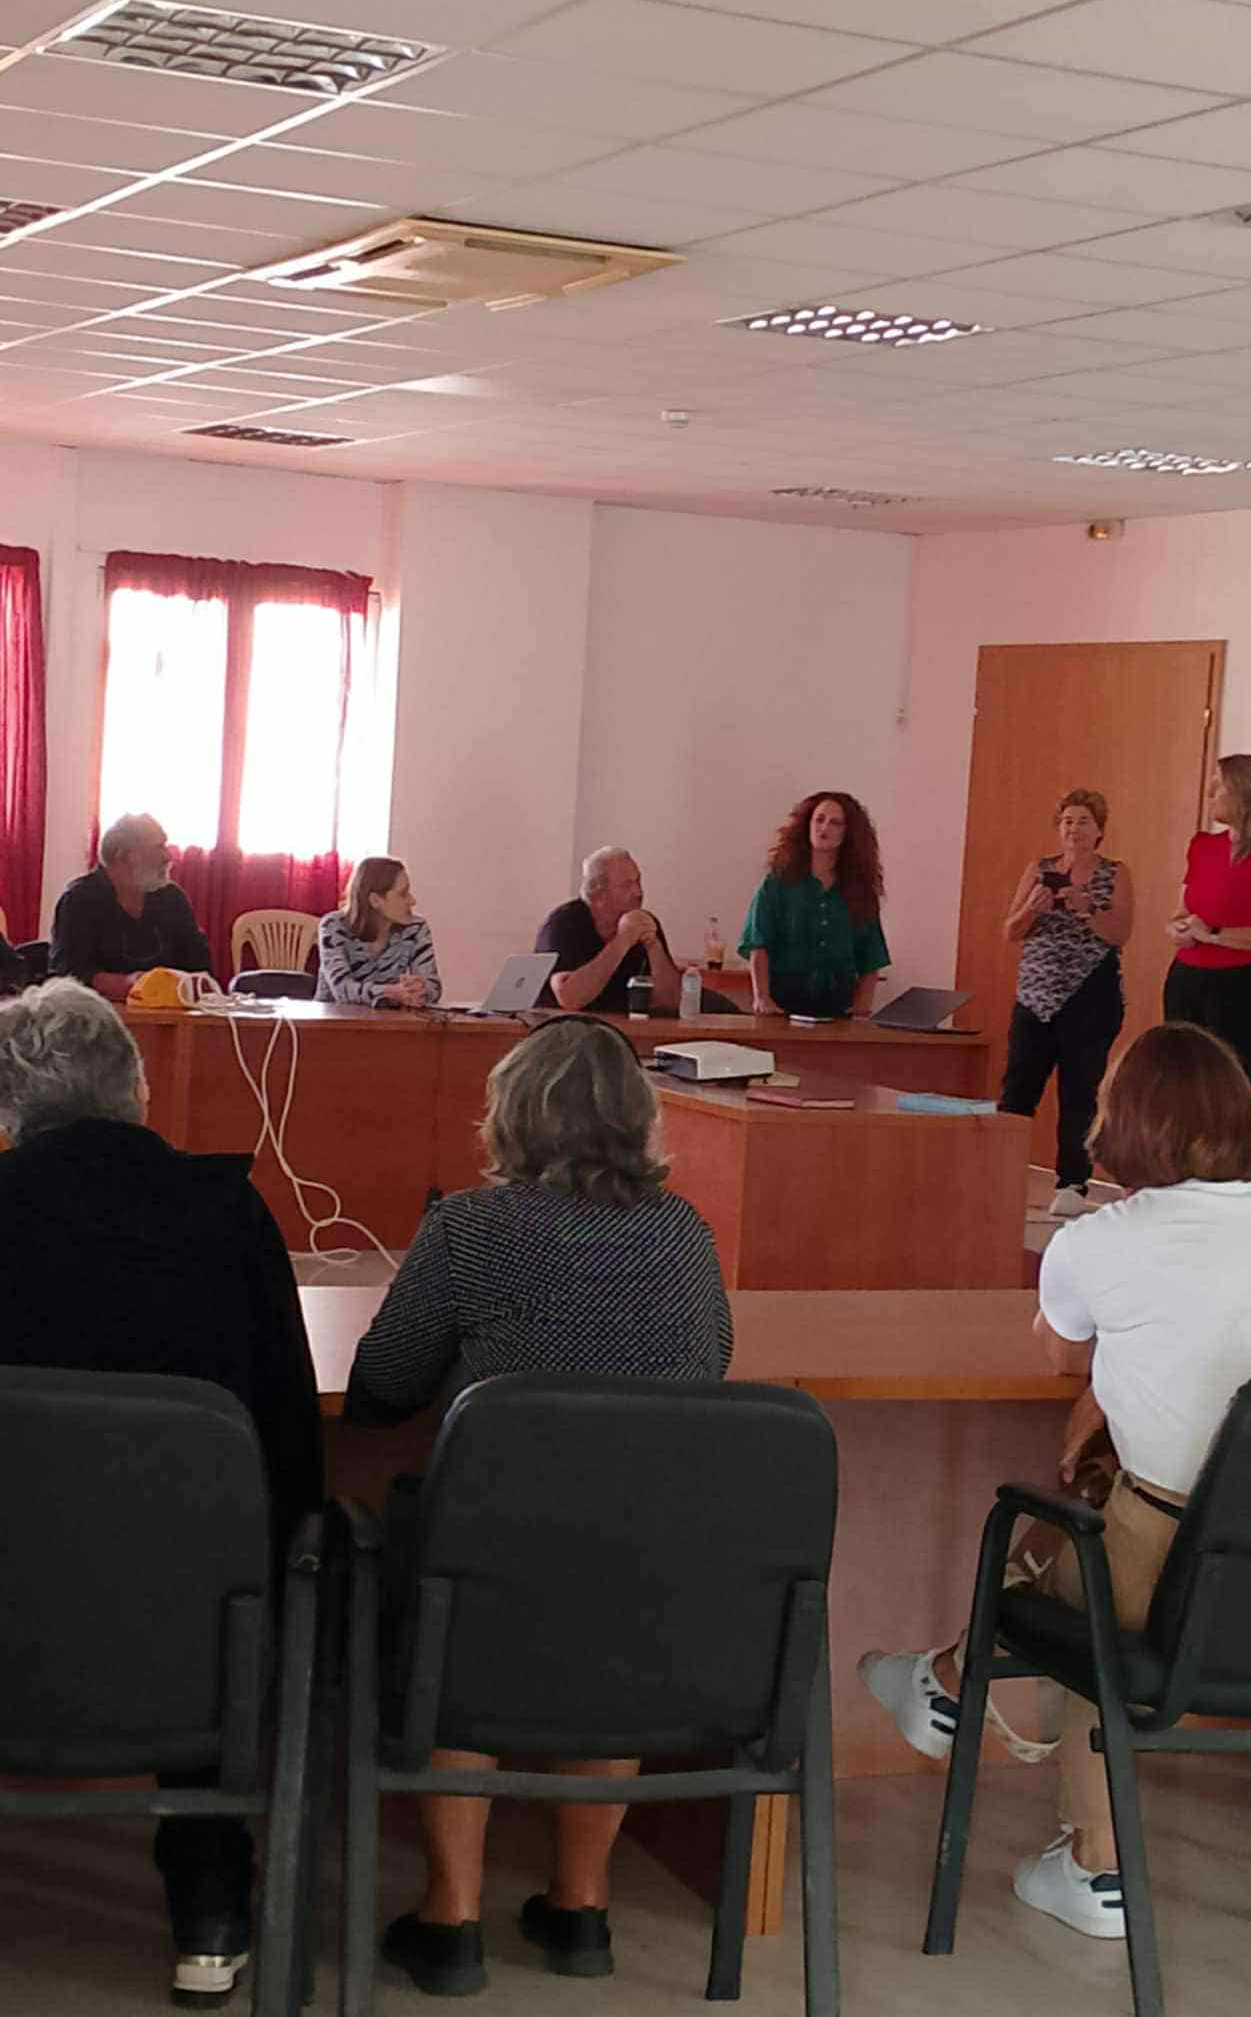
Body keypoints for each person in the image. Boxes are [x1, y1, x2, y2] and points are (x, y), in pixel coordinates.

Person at [858, 1022, 1251, 1942]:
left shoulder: (1097, 1240)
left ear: (1124, 1123)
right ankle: (945, 1688)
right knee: (1090, 1522)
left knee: (1076, 1588)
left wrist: (1106, 1388)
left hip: (1165, 1570)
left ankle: (1088, 1855)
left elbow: (1061, 1352)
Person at [344, 1015, 732, 1996]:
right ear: (639, 1117)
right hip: (645, 1575)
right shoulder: (684, 1233)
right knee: (598, 1598)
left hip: (487, 1574)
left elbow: (383, 1384)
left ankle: (450, 1918)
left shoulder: (470, 1230)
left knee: (458, 1585)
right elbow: (709, 1371)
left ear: (510, 1115)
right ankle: (579, 1905)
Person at [0, 979, 323, 2007]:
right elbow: (293, 1438)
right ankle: (212, 1912)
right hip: (200, 1629)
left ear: (11, 1104)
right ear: (136, 1087)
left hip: (12, 1607)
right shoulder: (231, 1213)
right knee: (224, 1564)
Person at [999, 788, 1134, 1218]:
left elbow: (1121, 933)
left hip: (1090, 996)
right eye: (1067, 821)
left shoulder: (1115, 873)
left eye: (1083, 821)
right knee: (1018, 1087)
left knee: (1080, 1090)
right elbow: (1011, 930)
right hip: (1035, 995)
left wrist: (1087, 908)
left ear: (1099, 830)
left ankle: (1073, 1182)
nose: (1074, 829)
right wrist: (1033, 909)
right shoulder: (1039, 870)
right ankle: (1001, 1172)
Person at [1163, 755, 1251, 1108]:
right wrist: (1178, 929)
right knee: (1181, 1090)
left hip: (1245, 986)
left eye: (1219, 785)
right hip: (1187, 980)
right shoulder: (1203, 847)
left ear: (1244, 792)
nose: (1210, 792)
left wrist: (1214, 934)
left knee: (1240, 1093)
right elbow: (1181, 913)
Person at [740, 790, 890, 1018]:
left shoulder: (860, 891)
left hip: (839, 1013)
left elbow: (871, 957)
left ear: (848, 833)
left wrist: (862, 1007)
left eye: (835, 823)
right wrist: (762, 998)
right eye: (819, 819)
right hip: (781, 1009)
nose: (824, 828)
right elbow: (758, 944)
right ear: (807, 825)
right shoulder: (778, 883)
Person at [49, 812, 212, 999]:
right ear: (124, 856)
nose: (168, 857)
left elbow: (200, 967)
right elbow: (67, 974)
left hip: (171, 1011)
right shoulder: (79, 900)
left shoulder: (172, 898)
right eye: (158, 847)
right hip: (99, 1012)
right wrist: (126, 984)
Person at [535, 846, 682, 1016]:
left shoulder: (644, 922)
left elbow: (672, 1002)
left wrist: (653, 944)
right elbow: (570, 999)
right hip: (565, 1026)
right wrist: (622, 940)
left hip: (626, 1026)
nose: (638, 892)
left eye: (638, 882)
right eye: (626, 886)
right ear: (598, 894)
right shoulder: (564, 923)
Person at [316, 857, 441, 1009]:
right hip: (333, 1020)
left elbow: (434, 987)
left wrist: (421, 989)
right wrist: (389, 992)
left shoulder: (416, 927)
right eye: (403, 893)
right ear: (375, 900)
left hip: (388, 1021)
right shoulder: (333, 926)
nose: (412, 901)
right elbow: (341, 990)